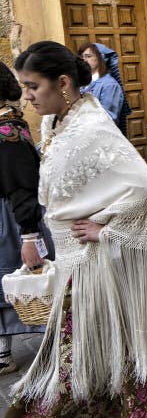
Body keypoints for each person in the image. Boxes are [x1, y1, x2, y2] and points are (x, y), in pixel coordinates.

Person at [9, 41, 147, 416]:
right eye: (23, 86)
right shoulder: (55, 120)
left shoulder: (91, 126)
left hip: (98, 254)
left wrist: (106, 228)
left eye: (32, 86)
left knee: (121, 330)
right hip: (74, 253)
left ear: (62, 83)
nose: (26, 97)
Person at [0, 61, 54, 376]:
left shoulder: (9, 130)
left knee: (29, 278)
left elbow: (22, 185)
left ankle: (56, 342)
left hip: (13, 219)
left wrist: (29, 234)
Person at [77, 43, 129, 134]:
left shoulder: (109, 85)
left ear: (101, 59)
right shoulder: (83, 84)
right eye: (82, 57)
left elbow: (109, 118)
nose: (84, 60)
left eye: (88, 56)